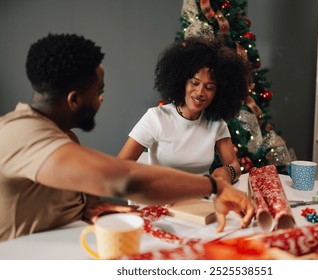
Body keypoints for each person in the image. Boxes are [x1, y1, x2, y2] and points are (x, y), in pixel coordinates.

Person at [0, 33, 254, 242]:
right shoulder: (22, 134)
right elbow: (121, 178)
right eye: (99, 92)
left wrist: (87, 207)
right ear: (74, 100)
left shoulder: (59, 134)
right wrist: (214, 187)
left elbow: (61, 193)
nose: (102, 99)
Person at [117, 37, 252, 184]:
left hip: (201, 200)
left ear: (218, 93)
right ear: (182, 82)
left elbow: (234, 165)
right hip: (163, 200)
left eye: (209, 87)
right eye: (194, 83)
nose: (200, 92)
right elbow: (119, 166)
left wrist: (227, 171)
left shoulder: (216, 123)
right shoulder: (156, 118)